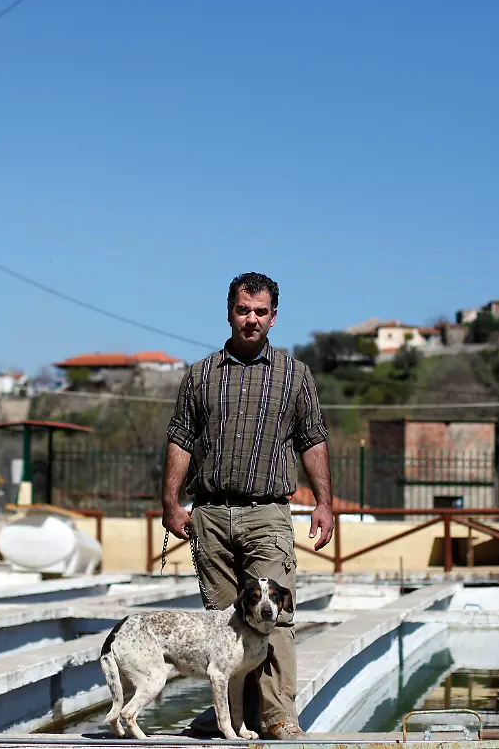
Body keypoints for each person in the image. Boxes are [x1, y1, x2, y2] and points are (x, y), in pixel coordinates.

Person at [161, 271, 335, 740]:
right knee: (223, 625)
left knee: (274, 615)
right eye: (243, 310)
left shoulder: (295, 375)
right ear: (229, 313)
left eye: (260, 311)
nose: (251, 319)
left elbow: (313, 440)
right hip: (211, 514)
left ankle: (278, 717)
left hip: (267, 514)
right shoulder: (201, 375)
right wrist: (170, 502)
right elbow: (179, 439)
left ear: (274, 318)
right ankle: (232, 717)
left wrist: (324, 502)